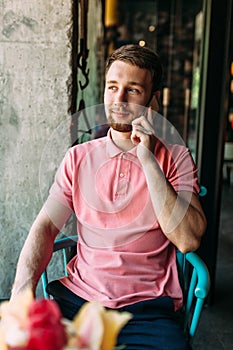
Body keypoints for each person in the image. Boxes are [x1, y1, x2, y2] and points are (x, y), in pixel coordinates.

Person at [11, 44, 207, 349]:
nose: (118, 100)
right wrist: (21, 294)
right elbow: (46, 227)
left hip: (147, 310)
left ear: (154, 100)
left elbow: (188, 240)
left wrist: (148, 159)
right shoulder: (78, 157)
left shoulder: (177, 157)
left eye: (133, 90)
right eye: (112, 87)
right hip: (80, 300)